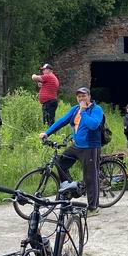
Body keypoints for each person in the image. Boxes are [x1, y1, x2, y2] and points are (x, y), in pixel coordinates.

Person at [40, 87, 103, 215]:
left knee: (90, 176)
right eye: (79, 96)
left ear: (89, 96)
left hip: (90, 147)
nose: (81, 99)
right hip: (77, 145)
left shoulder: (96, 109)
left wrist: (84, 111)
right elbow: (62, 121)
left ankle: (93, 207)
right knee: (60, 162)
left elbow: (93, 125)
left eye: (83, 96)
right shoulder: (75, 109)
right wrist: (47, 133)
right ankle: (71, 189)